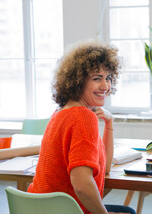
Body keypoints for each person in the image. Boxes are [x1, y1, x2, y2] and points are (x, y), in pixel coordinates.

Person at [28, 40, 136, 214]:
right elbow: (82, 185)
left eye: (108, 78)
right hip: (64, 210)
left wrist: (109, 123)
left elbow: (105, 168)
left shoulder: (60, 113)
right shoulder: (83, 117)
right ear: (77, 82)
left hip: (41, 209)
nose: (105, 86)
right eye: (96, 78)